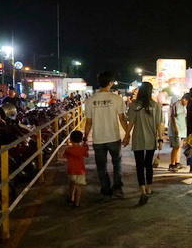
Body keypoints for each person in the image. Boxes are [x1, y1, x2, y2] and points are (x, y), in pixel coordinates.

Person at [83, 71, 128, 199]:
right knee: (117, 163)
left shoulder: (90, 100)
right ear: (110, 83)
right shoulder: (116, 98)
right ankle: (118, 187)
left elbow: (88, 122)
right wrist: (128, 134)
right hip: (114, 137)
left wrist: (85, 137)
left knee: (101, 166)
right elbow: (122, 119)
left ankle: (106, 188)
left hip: (98, 139)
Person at [123, 82, 165, 205]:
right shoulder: (156, 106)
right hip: (151, 139)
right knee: (149, 165)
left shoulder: (134, 105)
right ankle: (149, 189)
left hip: (138, 139)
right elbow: (159, 125)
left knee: (140, 166)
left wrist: (126, 136)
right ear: (151, 91)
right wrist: (160, 139)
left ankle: (142, 191)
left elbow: (130, 123)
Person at [61, 130, 89, 207]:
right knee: (78, 186)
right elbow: (87, 155)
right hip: (80, 171)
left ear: (70, 139)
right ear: (81, 140)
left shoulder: (68, 149)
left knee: (71, 184)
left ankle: (71, 198)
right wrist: (85, 147)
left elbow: (64, 156)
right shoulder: (82, 149)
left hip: (71, 171)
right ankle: (76, 203)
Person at [168, 93, 190, 171]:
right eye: (187, 101)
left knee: (179, 146)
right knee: (175, 147)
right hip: (176, 130)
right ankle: (172, 164)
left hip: (182, 130)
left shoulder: (184, 106)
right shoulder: (176, 105)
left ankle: (177, 162)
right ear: (184, 99)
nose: (187, 103)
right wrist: (175, 129)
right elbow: (173, 117)